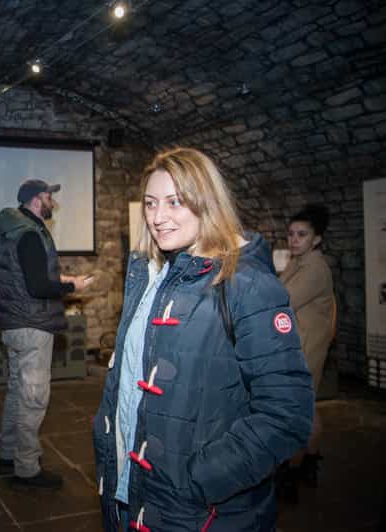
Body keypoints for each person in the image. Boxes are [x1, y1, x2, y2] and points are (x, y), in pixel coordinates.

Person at [92, 147, 313, 531]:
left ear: (206, 201)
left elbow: (286, 413)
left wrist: (202, 479)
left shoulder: (247, 285)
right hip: (131, 490)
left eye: (175, 202)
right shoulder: (151, 275)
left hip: (198, 511)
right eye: (150, 203)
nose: (157, 217)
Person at [0, 178, 91, 490]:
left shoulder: (14, 230)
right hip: (32, 325)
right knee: (33, 398)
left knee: (17, 392)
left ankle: (7, 454)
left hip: (15, 323)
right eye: (49, 197)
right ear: (37, 199)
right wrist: (72, 286)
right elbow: (38, 287)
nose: (53, 202)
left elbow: (29, 277)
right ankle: (27, 469)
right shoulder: (30, 234)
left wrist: (64, 278)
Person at [277, 205, 335, 501]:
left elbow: (282, 299)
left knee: (297, 410)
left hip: (306, 348)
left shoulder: (314, 268)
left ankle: (291, 471)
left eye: (302, 234)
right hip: (300, 345)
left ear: (317, 239)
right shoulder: (297, 263)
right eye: (291, 234)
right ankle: (309, 462)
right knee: (307, 407)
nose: (294, 239)